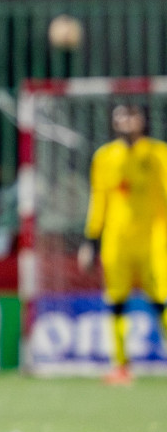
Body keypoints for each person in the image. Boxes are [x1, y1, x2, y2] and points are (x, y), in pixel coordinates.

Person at [78, 103, 167, 385]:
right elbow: (98, 200)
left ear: (142, 120)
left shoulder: (158, 153)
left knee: (161, 298)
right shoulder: (104, 157)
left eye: (132, 116)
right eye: (121, 117)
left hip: (154, 236)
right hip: (117, 239)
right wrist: (91, 240)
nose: (127, 121)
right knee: (116, 301)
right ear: (114, 123)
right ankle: (120, 365)